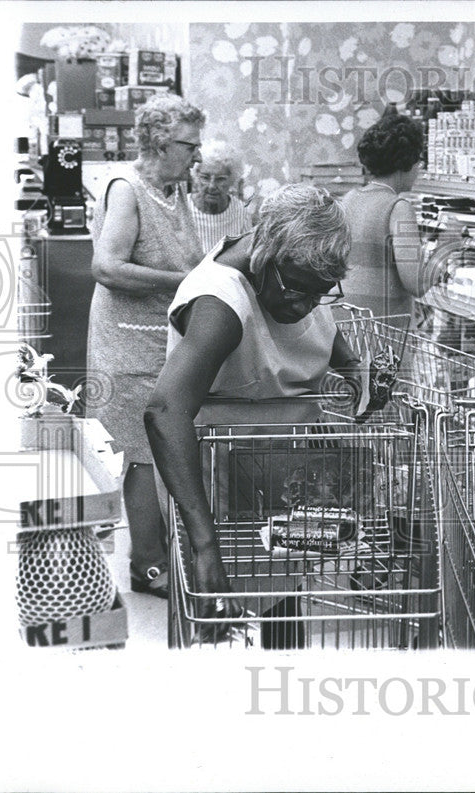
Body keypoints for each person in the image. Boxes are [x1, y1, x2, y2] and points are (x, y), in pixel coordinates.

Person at [144, 183, 361, 610]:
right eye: (300, 292)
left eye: (322, 293)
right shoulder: (219, 305)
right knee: (213, 616)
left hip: (276, 468)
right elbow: (164, 412)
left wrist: (360, 377)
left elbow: (329, 341)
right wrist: (205, 546)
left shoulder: (294, 275)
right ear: (263, 256)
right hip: (214, 483)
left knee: (283, 599)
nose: (307, 306)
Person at [86, 93, 206, 599]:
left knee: (166, 444)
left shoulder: (174, 191)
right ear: (159, 141)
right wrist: (180, 280)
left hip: (163, 336)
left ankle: (167, 553)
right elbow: (107, 266)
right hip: (127, 342)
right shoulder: (127, 190)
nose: (197, 156)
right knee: (138, 452)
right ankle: (148, 566)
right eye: (189, 146)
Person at [341, 113, 442, 323]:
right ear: (407, 162)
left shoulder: (349, 199)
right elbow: (416, 284)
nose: (418, 169)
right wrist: (444, 254)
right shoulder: (399, 208)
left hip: (346, 322)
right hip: (384, 329)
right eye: (418, 161)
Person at [187, 139, 253, 252]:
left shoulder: (242, 213)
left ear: (232, 180)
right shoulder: (182, 208)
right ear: (196, 176)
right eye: (205, 177)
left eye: (220, 179)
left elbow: (245, 257)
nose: (212, 186)